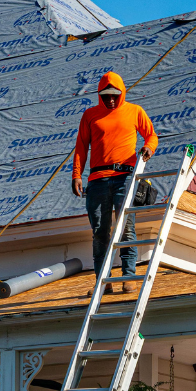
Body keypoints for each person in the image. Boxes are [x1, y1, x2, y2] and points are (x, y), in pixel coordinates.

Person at [72, 71, 158, 295]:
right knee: (100, 231)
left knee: (125, 228)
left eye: (114, 95)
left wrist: (148, 148)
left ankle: (128, 277)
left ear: (121, 93)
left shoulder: (134, 111)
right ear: (100, 95)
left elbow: (151, 135)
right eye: (106, 95)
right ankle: (103, 281)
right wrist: (76, 175)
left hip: (124, 177)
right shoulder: (90, 115)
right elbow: (81, 146)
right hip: (98, 180)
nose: (110, 99)